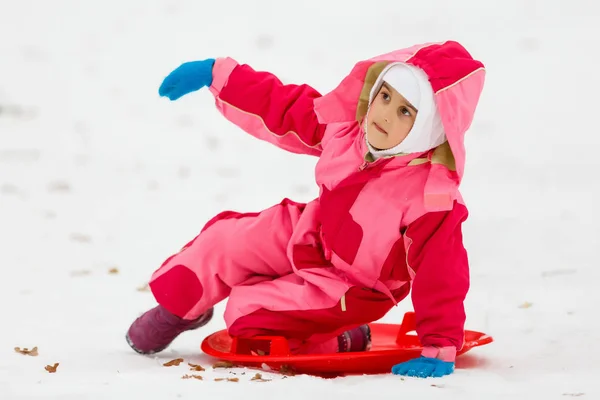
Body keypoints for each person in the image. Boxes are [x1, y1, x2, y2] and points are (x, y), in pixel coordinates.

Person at [126, 40, 486, 378]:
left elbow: (442, 272)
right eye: (385, 96)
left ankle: (343, 336)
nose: (385, 115)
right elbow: (284, 107)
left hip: (351, 288)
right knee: (223, 240)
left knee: (247, 314)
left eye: (406, 110)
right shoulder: (348, 131)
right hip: (311, 233)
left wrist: (439, 344)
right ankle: (176, 310)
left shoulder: (431, 198)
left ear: (431, 127)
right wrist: (218, 75)